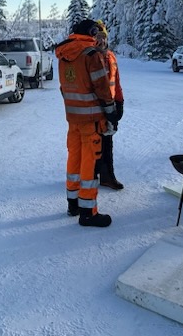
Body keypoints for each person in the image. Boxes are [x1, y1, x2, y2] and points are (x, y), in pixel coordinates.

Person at [55, 19, 120, 227]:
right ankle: (88, 212)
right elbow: (102, 87)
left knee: (74, 160)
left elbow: (64, 88)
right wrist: (111, 113)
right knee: (90, 164)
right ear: (91, 33)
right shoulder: (91, 55)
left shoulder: (64, 55)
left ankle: (72, 204)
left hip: (73, 118)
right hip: (91, 119)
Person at [93, 20, 125, 190]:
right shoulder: (89, 57)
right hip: (94, 108)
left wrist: (119, 103)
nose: (102, 41)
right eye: (98, 37)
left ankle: (107, 176)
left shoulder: (111, 56)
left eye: (104, 37)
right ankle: (91, 174)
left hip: (110, 106)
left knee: (108, 142)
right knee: (93, 143)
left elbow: (116, 82)